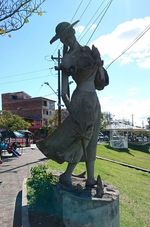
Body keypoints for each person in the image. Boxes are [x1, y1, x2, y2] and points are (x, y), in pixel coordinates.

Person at [37, 21, 105, 188]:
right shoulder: (68, 58)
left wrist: (100, 64)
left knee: (92, 139)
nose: (66, 39)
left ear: (73, 32)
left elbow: (100, 84)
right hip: (80, 100)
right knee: (83, 138)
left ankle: (90, 178)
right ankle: (67, 175)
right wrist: (71, 108)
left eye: (68, 34)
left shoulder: (89, 52)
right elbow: (63, 91)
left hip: (94, 100)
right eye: (62, 37)